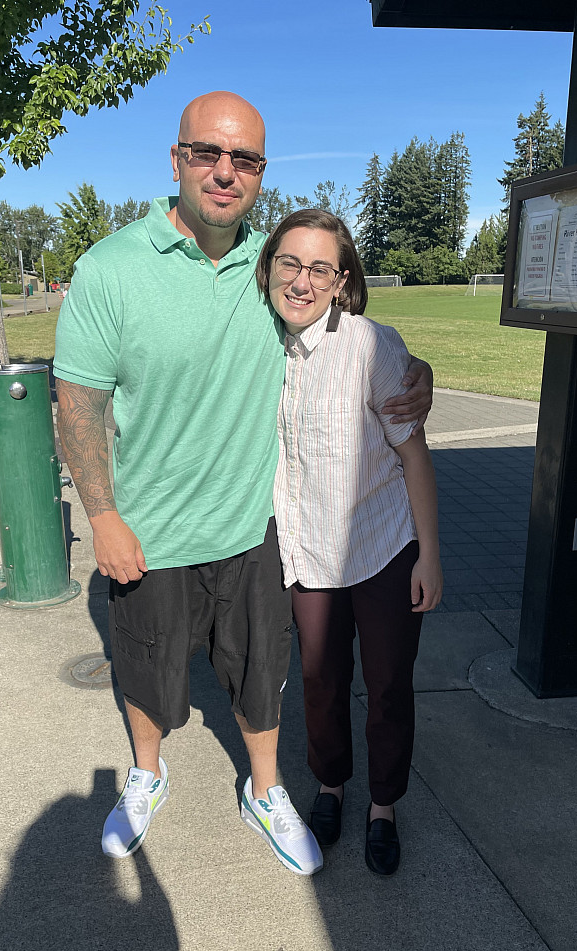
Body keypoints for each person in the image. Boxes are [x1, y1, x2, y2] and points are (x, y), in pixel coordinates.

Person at [53, 91, 433, 877]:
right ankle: (147, 774)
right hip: (150, 526)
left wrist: (416, 374)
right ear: (177, 159)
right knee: (146, 667)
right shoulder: (111, 266)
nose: (225, 172)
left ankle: (265, 790)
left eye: (246, 159)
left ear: (261, 172)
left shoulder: (270, 265)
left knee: (262, 672)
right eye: (207, 153)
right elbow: (79, 400)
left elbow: (345, 324)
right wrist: (102, 513)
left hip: (254, 525)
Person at [255, 209, 443, 876]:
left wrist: (430, 553)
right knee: (319, 680)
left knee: (389, 682)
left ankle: (384, 804)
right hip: (308, 553)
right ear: (269, 267)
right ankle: (331, 785)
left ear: (342, 281)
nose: (302, 280)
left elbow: (413, 454)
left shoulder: (372, 344)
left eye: (320, 268)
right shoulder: (252, 343)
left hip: (383, 544)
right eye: (290, 263)